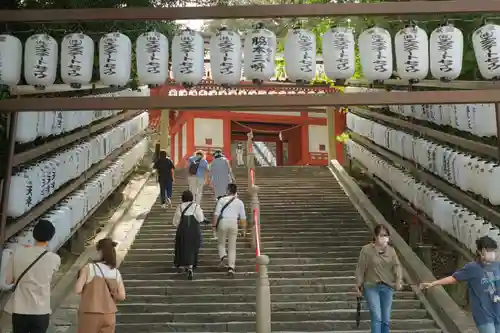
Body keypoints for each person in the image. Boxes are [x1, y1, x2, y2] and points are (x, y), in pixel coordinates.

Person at [420, 236, 500, 333]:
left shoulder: (497, 266)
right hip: (483, 315)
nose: (492, 253)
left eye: (494, 250)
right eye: (488, 250)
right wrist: (433, 283)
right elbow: (454, 278)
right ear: (480, 251)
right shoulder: (472, 268)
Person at [4, 219, 61, 333]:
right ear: (51, 237)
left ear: (34, 235)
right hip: (41, 310)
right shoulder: (54, 259)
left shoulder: (18, 253)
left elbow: (8, 280)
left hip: (20, 309)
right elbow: (51, 280)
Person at [355, 224, 403, 333]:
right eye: (381, 235)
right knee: (377, 317)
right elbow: (360, 268)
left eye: (386, 235)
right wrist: (358, 285)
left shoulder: (391, 251)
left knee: (386, 320)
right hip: (371, 286)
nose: (384, 237)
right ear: (375, 236)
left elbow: (397, 266)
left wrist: (398, 280)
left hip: (387, 287)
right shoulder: (366, 250)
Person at [74, 238, 126, 333]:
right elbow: (122, 296)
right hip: (109, 314)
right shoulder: (115, 272)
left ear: (101, 251)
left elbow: (77, 289)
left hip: (90, 313)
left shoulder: (89, 268)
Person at [213, 183, 247, 276]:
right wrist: (243, 229)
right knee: (232, 247)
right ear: (236, 191)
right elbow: (243, 217)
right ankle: (231, 267)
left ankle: (223, 255)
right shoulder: (240, 202)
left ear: (228, 190)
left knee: (221, 242)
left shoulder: (222, 200)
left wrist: (213, 226)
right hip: (234, 223)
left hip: (223, 222)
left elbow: (216, 214)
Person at [173, 190, 205, 280]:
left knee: (183, 247)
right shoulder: (196, 206)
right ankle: (191, 267)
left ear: (182, 198)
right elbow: (201, 218)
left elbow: (175, 221)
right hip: (194, 230)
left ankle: (187, 266)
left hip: (183, 230)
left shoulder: (180, 207)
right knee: (192, 248)